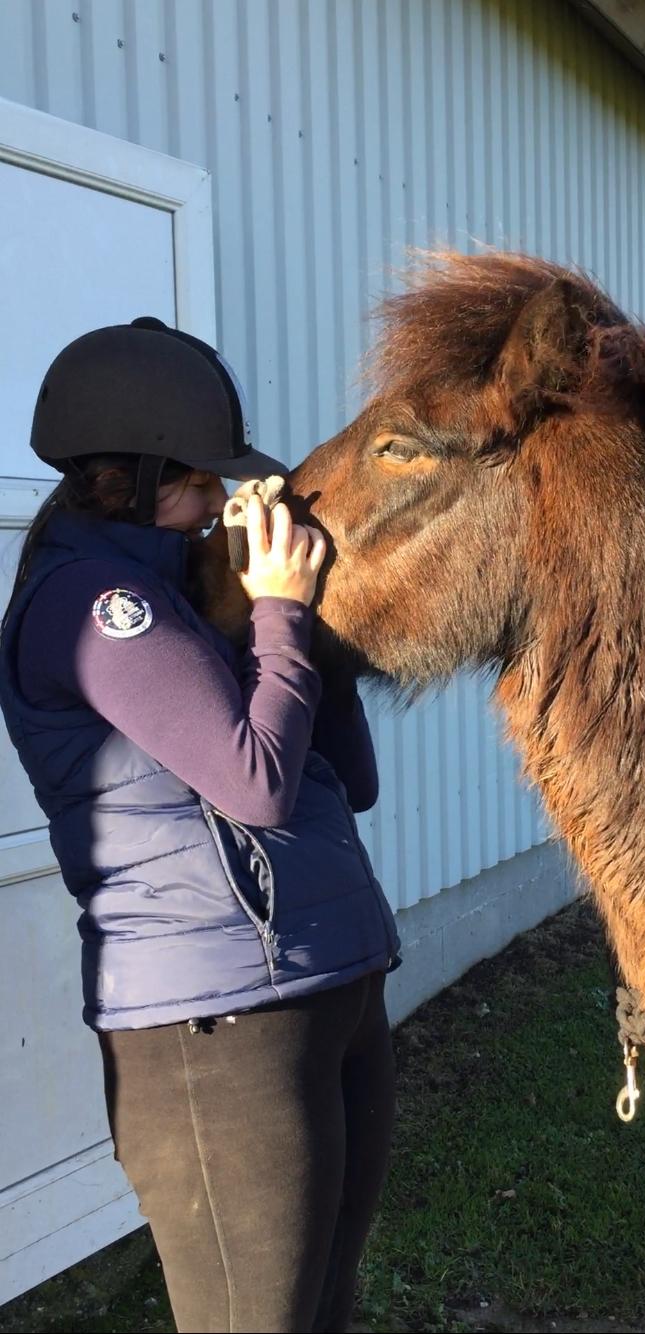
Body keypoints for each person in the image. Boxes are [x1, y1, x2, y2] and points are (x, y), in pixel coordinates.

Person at [0, 317, 400, 1334]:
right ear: (121, 481)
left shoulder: (196, 595)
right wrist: (279, 616)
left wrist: (302, 628)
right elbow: (257, 784)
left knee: (326, 1310)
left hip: (332, 984)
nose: (222, 500)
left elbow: (349, 780)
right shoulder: (94, 606)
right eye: (197, 481)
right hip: (217, 1031)